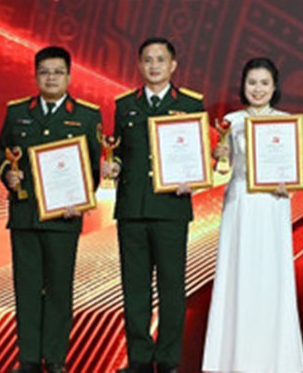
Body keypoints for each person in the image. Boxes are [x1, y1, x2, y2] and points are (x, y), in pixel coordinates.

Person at [0, 46, 103, 373]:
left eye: (57, 72)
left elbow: (93, 167)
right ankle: (27, 358)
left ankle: (55, 358)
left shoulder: (85, 115)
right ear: (35, 75)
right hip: (25, 215)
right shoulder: (17, 112)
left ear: (69, 76)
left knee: (58, 288)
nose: (51, 78)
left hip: (63, 217)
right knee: (26, 288)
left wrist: (79, 198)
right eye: (44, 72)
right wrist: (7, 175)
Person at [103, 37, 207, 373]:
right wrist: (113, 165)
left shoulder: (191, 104)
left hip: (171, 208)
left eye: (160, 60)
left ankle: (167, 358)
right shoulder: (125, 105)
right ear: (139, 64)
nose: (154, 66)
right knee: (134, 287)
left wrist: (194, 176)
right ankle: (138, 359)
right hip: (132, 207)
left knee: (172, 286)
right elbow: (117, 149)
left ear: (173, 65)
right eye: (148, 60)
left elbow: (200, 154)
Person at [201, 57, 303, 372]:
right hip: (241, 206)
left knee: (273, 277)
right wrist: (218, 155)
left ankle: (279, 359)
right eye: (252, 83)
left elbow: (294, 170)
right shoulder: (230, 122)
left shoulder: (287, 122)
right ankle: (233, 358)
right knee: (239, 274)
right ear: (243, 85)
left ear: (274, 87)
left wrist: (286, 183)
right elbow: (221, 170)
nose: (257, 89)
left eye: (264, 83)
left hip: (273, 205)